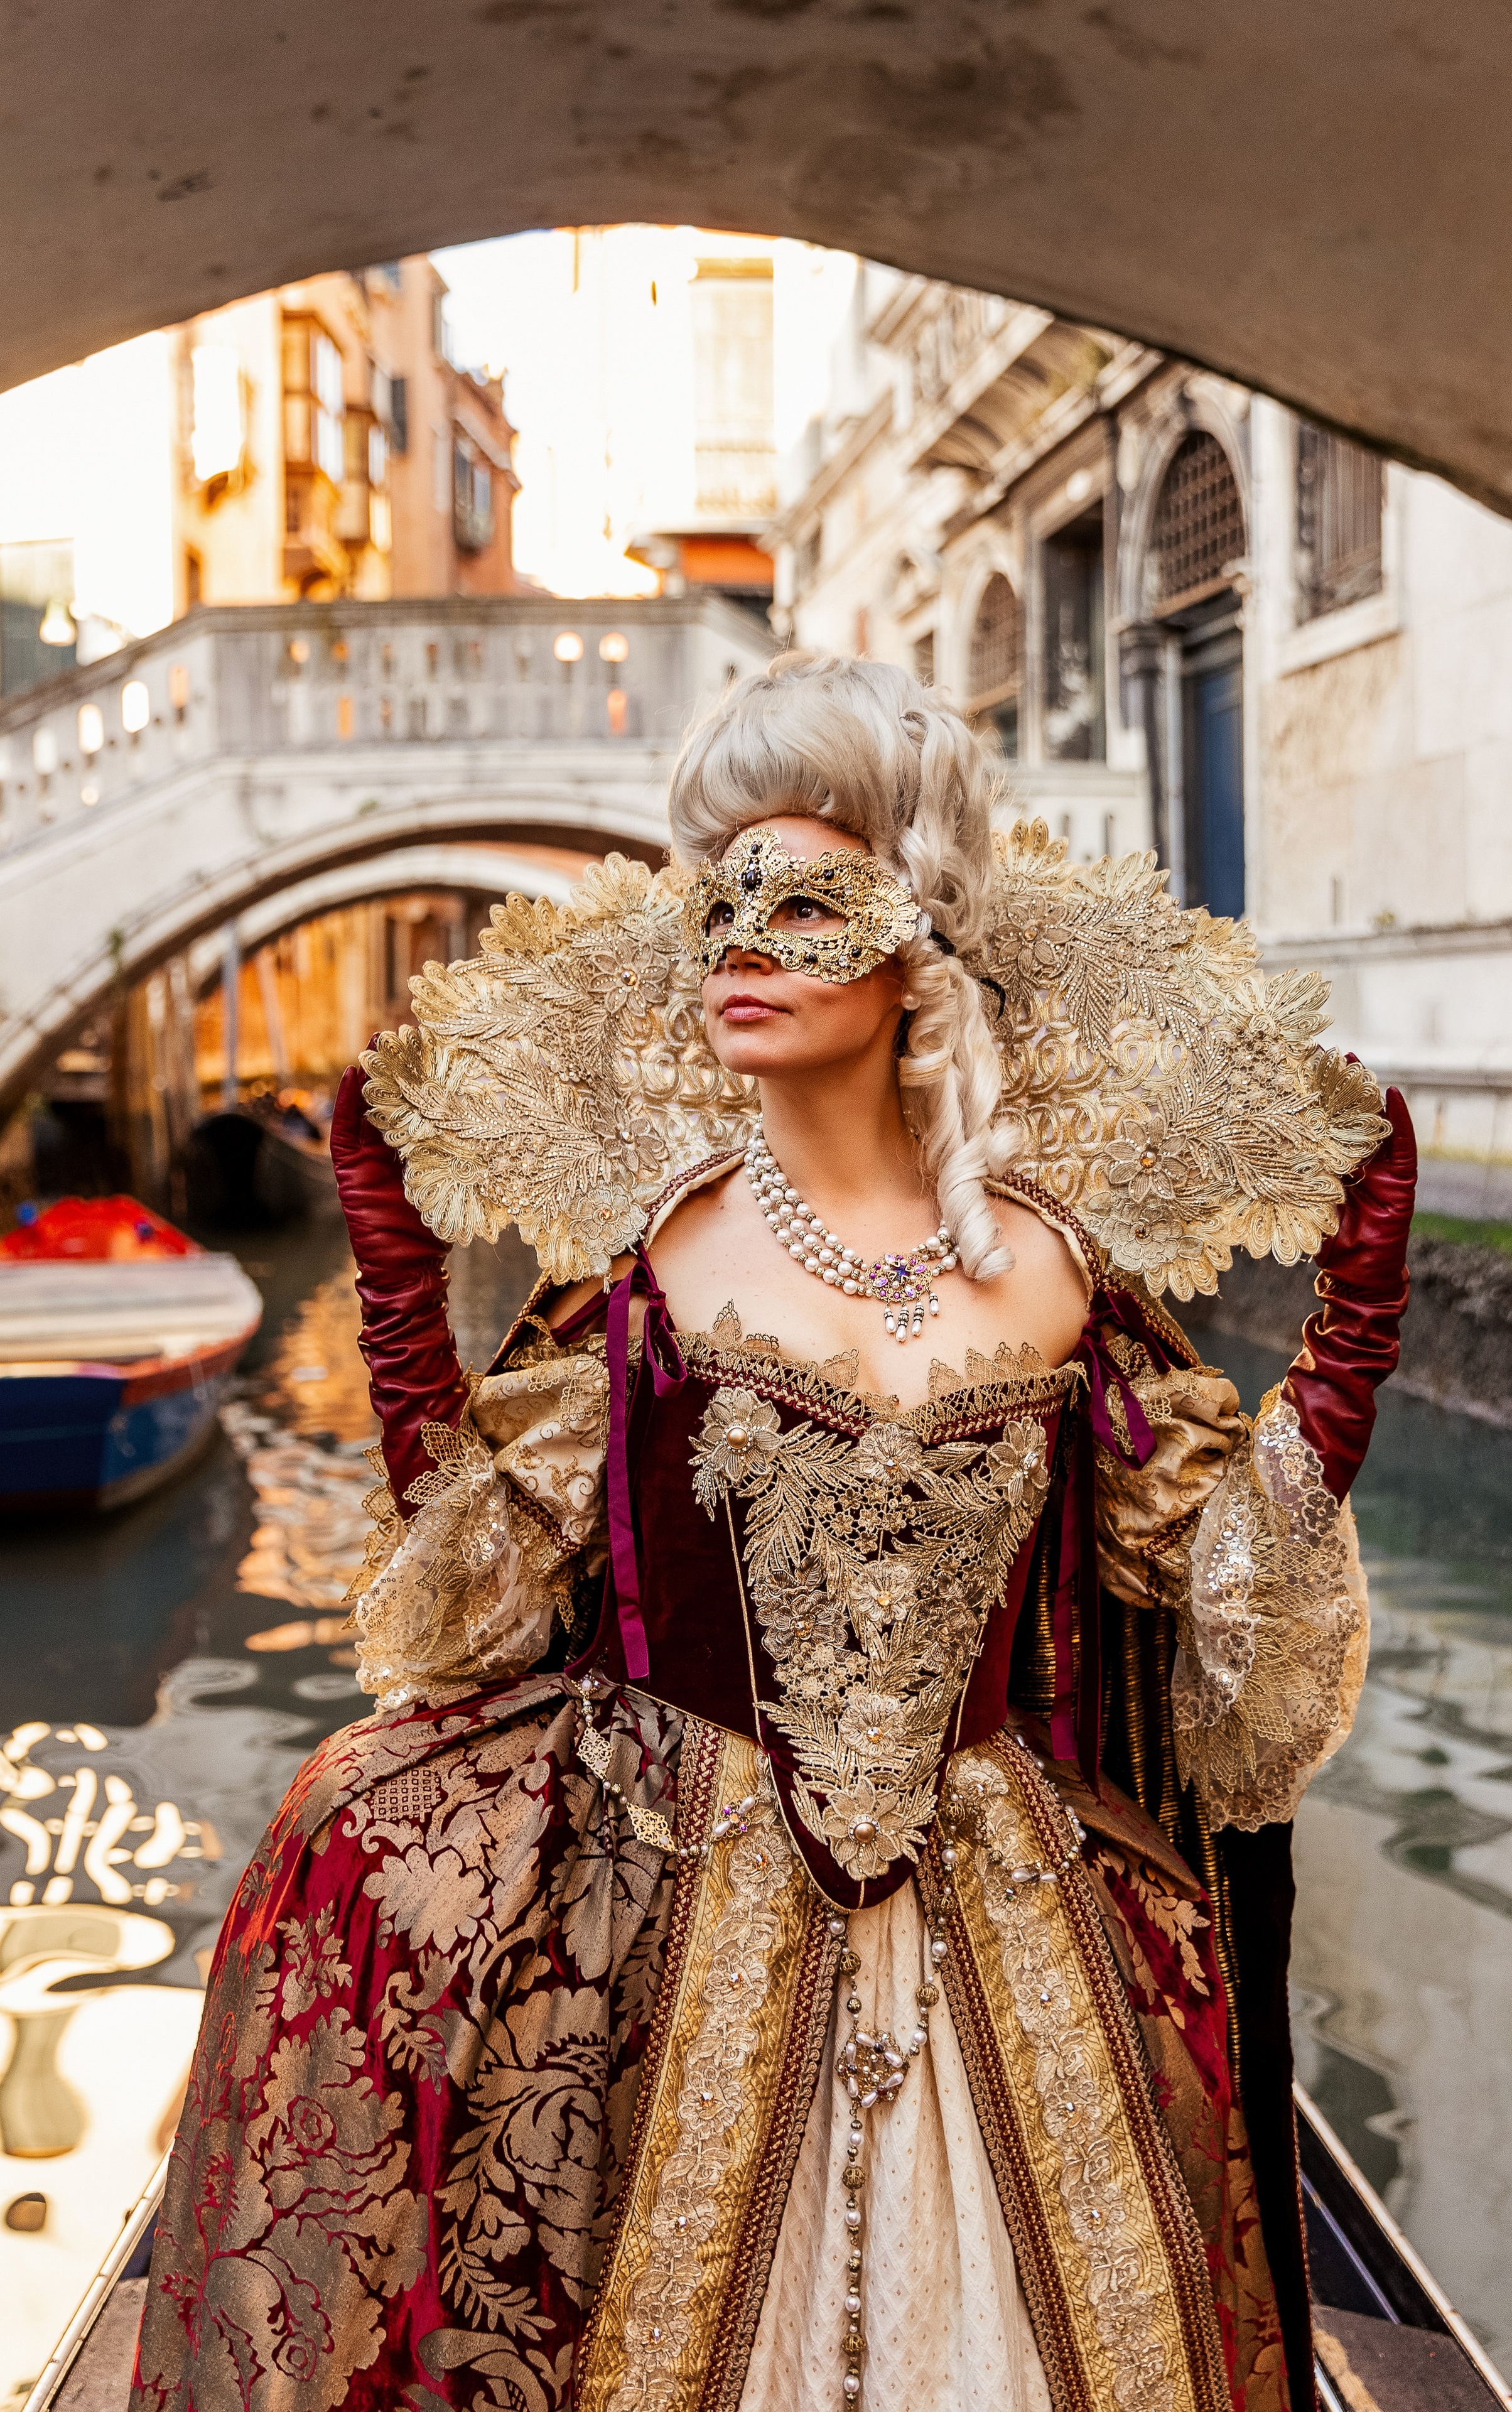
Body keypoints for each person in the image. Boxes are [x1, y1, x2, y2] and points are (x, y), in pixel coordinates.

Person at [130, 656, 1415, 2412]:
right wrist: (402, 1292)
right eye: (719, 893)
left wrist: (1346, 1353)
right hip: (672, 1913)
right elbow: (482, 1585)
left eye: (803, 895)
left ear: (919, 941)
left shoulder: (1048, 1276)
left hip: (1008, 1922)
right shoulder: (655, 1274)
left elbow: (1219, 1617)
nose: (742, 937)